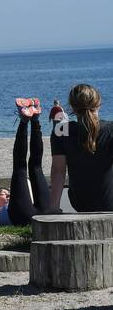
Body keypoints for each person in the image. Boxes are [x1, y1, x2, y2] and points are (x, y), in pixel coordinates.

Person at [0, 98, 50, 226]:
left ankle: (33, 117)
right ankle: (30, 121)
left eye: (8, 193)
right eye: (3, 194)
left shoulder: (15, 200)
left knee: (32, 167)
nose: (8, 196)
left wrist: (8, 193)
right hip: (23, 215)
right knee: (28, 168)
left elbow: (27, 183)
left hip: (39, 211)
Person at [47, 84, 113, 214]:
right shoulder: (111, 129)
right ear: (98, 104)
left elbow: (58, 171)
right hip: (110, 202)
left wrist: (53, 206)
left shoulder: (61, 130)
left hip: (80, 203)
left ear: (72, 107)